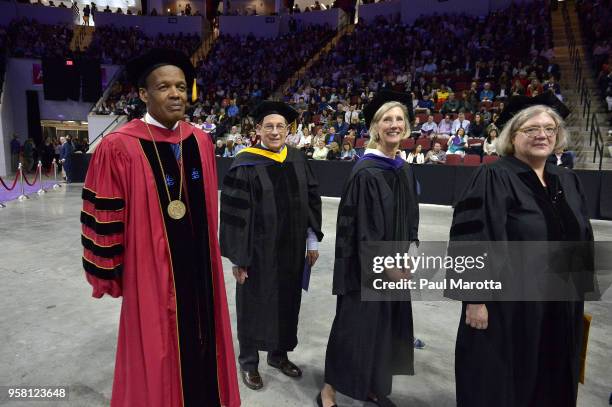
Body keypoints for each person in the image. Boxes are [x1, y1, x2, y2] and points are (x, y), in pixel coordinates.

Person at [80, 48, 240, 407]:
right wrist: (112, 273)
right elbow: (103, 215)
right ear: (143, 94)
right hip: (151, 273)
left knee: (203, 344)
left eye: (181, 87)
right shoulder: (119, 147)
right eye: (164, 86)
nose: (175, 94)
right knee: (158, 348)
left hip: (200, 272)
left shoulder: (199, 141)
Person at [447, 93, 593, 407]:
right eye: (531, 129)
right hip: (508, 307)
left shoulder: (567, 181)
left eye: (550, 128)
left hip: (560, 303)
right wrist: (474, 298)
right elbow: (472, 237)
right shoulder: (493, 176)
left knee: (553, 376)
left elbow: (583, 238)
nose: (543, 135)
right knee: (504, 380)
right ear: (513, 136)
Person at [319, 90, 419, 407]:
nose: (394, 124)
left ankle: (373, 385)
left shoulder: (403, 169)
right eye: (386, 119)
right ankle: (329, 390)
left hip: (396, 266)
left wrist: (411, 252)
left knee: (383, 327)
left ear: (407, 126)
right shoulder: (366, 172)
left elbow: (410, 218)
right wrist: (384, 264)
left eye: (399, 119)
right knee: (353, 327)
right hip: (364, 269)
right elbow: (359, 227)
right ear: (375, 127)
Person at [219, 100, 323, 391]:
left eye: (280, 126)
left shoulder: (298, 159)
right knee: (253, 304)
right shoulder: (245, 164)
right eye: (269, 126)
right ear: (258, 129)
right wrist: (238, 259)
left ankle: (279, 355)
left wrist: (312, 241)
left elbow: (312, 202)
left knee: (288, 303)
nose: (275, 132)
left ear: (288, 130)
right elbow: (234, 216)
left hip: (291, 250)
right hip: (257, 252)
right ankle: (249, 362)